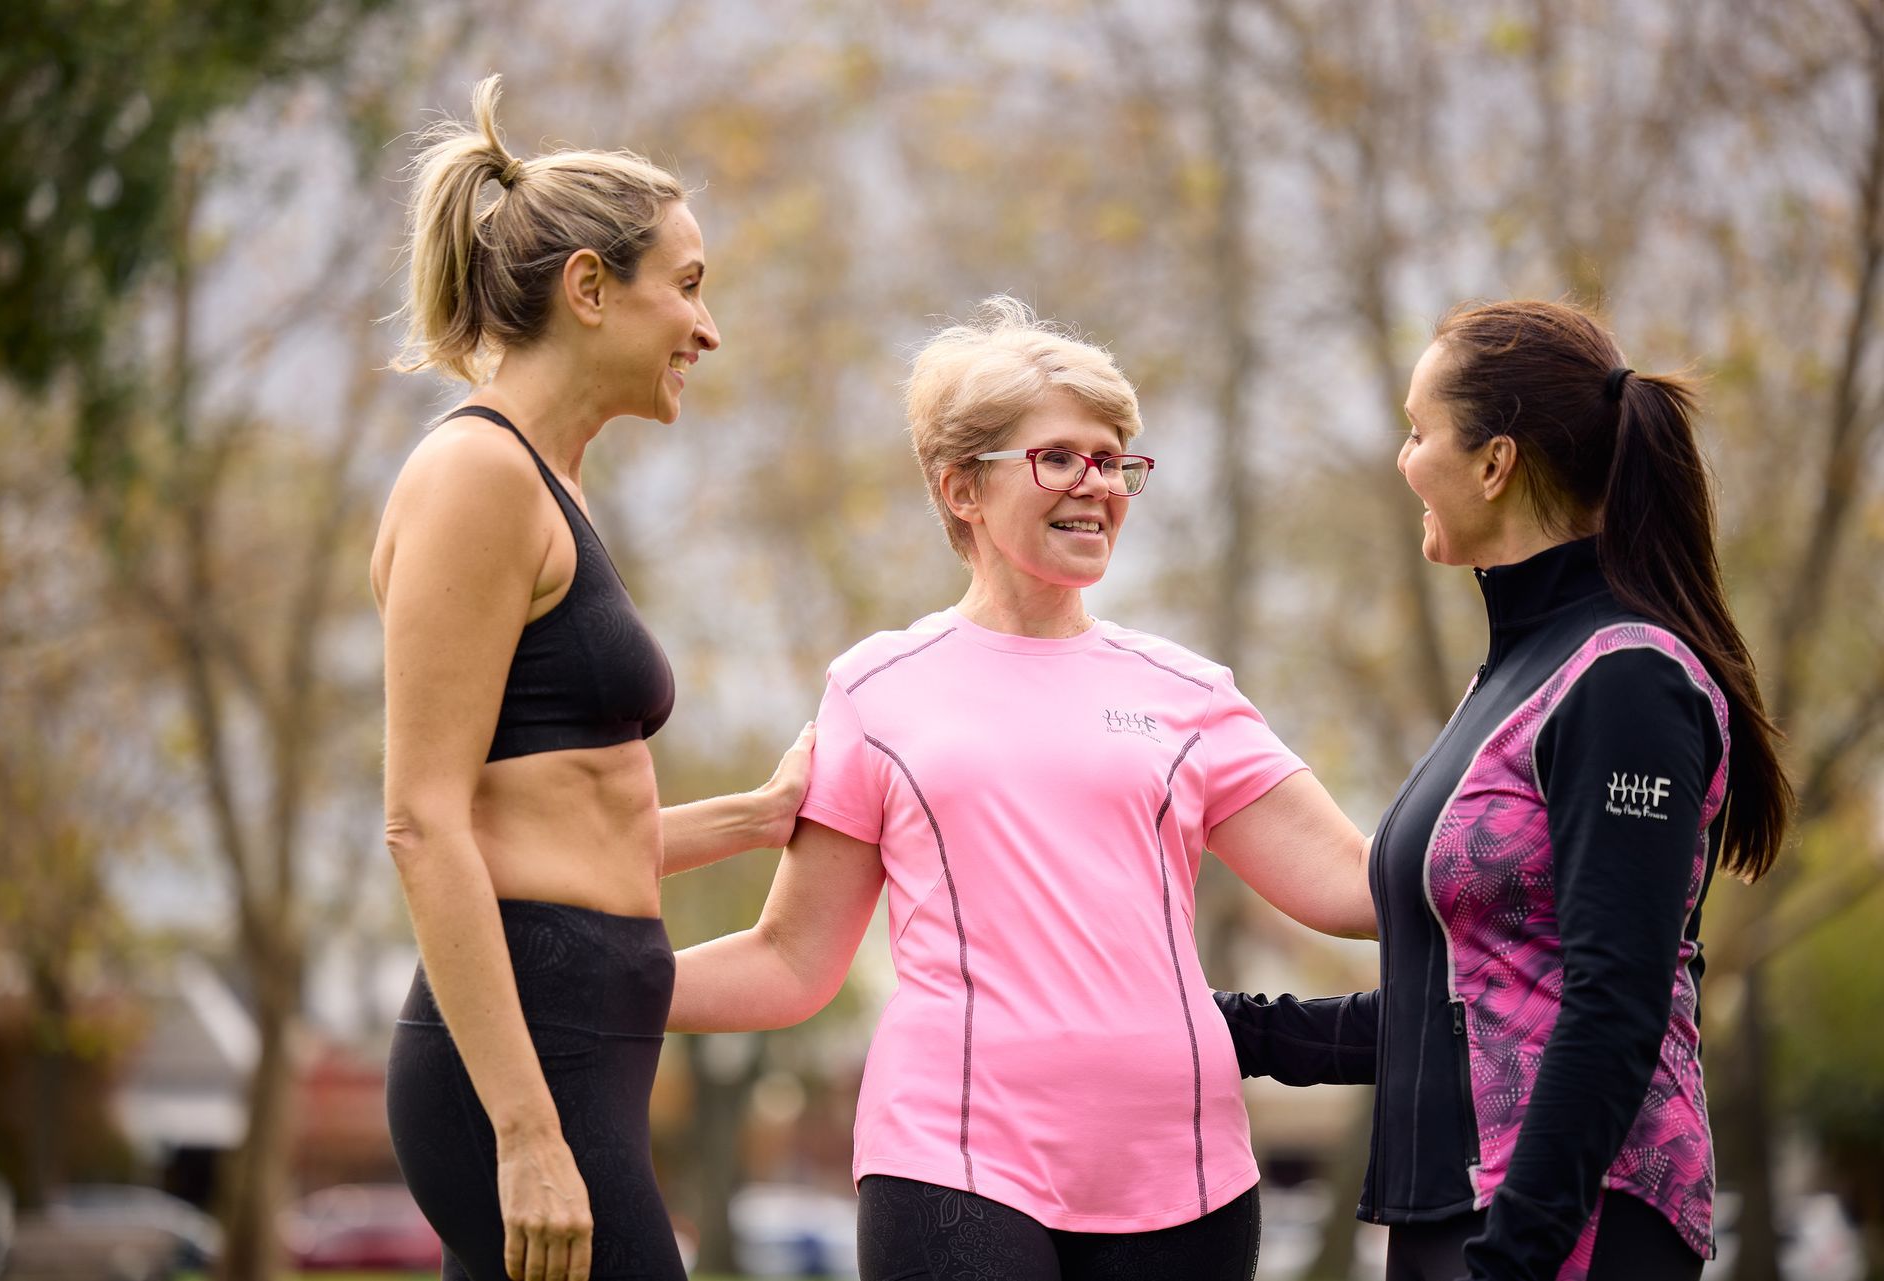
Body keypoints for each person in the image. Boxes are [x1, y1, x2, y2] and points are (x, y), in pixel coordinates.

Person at [667, 297, 1377, 1281]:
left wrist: (1553, 850)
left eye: (1115, 459)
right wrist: (600, 984)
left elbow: (1356, 886)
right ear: (962, 487)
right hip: (952, 1161)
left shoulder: (1190, 696)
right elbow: (793, 962)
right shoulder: (875, 691)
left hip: (1188, 1172)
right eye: (1060, 458)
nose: (1100, 485)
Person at [1216, 299, 1794, 1281]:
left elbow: (1615, 1005)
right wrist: (1222, 1024)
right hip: (1459, 1211)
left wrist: (1515, 1254)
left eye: (1417, 430)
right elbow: (1461, 1011)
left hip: (1567, 1223)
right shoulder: (1515, 678)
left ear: (1494, 462)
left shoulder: (1627, 677)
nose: (1404, 462)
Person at [373, 76, 813, 1281]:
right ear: (586, 288)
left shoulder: (551, 489)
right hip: (526, 1051)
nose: (707, 329)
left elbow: (555, 809)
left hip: (592, 1031)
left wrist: (756, 821)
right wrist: (523, 1132)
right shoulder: (478, 478)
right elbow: (424, 820)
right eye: (687, 286)